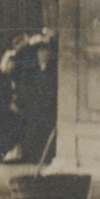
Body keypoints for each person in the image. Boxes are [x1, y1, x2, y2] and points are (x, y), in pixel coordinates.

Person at [16, 36, 59, 165]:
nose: (43, 54)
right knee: (32, 137)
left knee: (47, 138)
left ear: (50, 53)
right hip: (33, 110)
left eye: (45, 51)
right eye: (40, 51)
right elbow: (25, 90)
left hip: (48, 110)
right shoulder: (31, 72)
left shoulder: (54, 72)